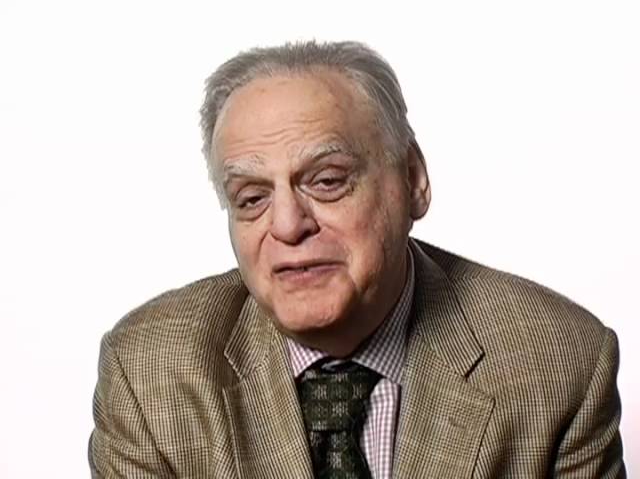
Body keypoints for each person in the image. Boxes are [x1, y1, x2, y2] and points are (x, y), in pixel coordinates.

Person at [88, 41, 625, 478]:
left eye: (326, 181)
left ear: (413, 180)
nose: (287, 225)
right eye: (251, 198)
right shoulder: (149, 373)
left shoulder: (557, 362)